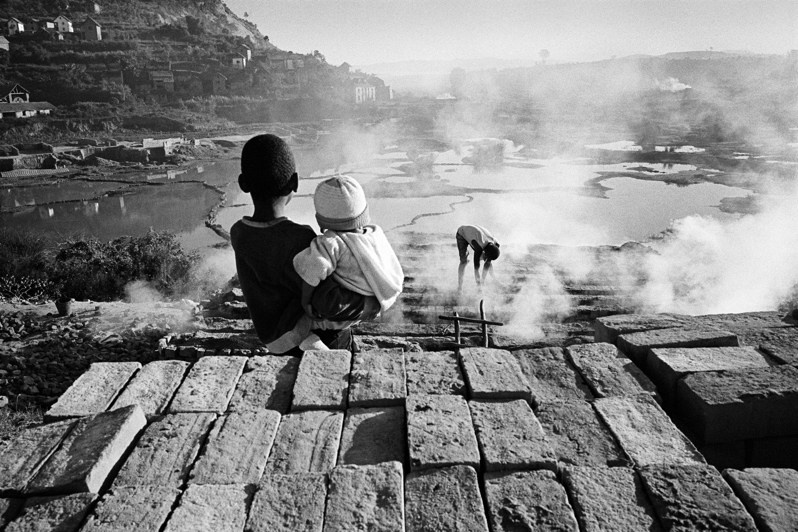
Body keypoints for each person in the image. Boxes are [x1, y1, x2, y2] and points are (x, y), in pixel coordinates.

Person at [230, 134, 354, 354]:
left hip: (275, 341)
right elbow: (323, 296)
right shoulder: (299, 237)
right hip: (312, 337)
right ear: (294, 182)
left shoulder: (239, 233)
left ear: (243, 183)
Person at [277, 175, 404, 351]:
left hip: (342, 307)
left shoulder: (332, 242)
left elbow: (312, 271)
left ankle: (312, 339)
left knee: (319, 297)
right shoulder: (375, 233)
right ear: (364, 213)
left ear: (321, 220)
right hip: (374, 295)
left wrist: (306, 301)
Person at [456, 224, 500, 291]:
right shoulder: (479, 248)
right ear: (484, 252)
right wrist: (479, 286)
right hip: (462, 233)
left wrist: (483, 281)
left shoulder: (496, 243)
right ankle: (460, 288)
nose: (488, 260)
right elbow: (476, 269)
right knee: (463, 262)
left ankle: (493, 278)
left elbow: (488, 261)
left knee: (488, 258)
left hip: (475, 234)